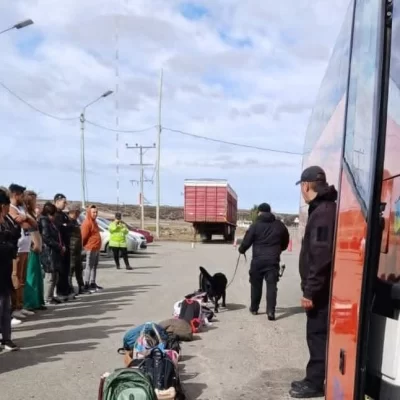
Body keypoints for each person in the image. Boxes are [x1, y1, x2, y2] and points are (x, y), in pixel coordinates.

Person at [289, 166, 337, 399]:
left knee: (317, 335)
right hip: (322, 288)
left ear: (306, 185)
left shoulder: (323, 213)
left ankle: (315, 383)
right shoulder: (325, 209)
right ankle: (314, 378)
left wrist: (310, 291)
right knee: (318, 335)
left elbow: (320, 256)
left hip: (320, 292)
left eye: (301, 187)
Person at [238, 202, 289, 321]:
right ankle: (271, 312)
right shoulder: (280, 225)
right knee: (272, 286)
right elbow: (285, 241)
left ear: (259, 212)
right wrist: (279, 250)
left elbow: (246, 241)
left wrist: (241, 249)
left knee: (256, 285)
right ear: (269, 211)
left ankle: (254, 308)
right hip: (273, 261)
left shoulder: (255, 225)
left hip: (258, 261)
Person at [8, 183, 35, 320]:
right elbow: (18, 220)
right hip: (17, 249)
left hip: (25, 248)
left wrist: (26, 218)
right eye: (21, 195)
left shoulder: (21, 208)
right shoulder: (10, 208)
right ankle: (14, 308)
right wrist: (25, 218)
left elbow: (33, 223)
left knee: (22, 278)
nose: (23, 197)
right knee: (15, 278)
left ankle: (20, 305)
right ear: (15, 194)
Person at [0, 189, 19, 351]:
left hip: (4, 270)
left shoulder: (6, 222)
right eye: (5, 205)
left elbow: (13, 240)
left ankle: (6, 338)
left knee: (6, 307)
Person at [23, 190, 46, 311]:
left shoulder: (32, 215)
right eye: (34, 200)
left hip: (37, 249)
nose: (36, 203)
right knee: (31, 276)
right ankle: (30, 302)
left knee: (37, 276)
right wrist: (35, 244)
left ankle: (37, 301)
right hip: (31, 249)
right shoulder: (25, 215)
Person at [39, 202, 65, 305]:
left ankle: (51, 296)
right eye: (52, 215)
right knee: (50, 276)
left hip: (54, 252)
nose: (54, 217)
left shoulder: (51, 223)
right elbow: (47, 238)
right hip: (48, 252)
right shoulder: (44, 222)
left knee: (55, 276)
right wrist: (59, 246)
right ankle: (47, 297)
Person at [53, 193, 75, 301]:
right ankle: (60, 292)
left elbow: (71, 226)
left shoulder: (64, 215)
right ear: (57, 201)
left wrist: (67, 225)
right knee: (60, 270)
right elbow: (59, 228)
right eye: (64, 202)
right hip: (60, 246)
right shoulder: (54, 214)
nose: (65, 204)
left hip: (67, 244)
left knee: (66, 269)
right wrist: (65, 226)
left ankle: (66, 291)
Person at [81, 205, 102, 292]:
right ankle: (86, 284)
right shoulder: (87, 223)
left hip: (96, 248)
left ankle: (92, 282)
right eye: (93, 212)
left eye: (96, 212)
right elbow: (83, 237)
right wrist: (83, 247)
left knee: (94, 266)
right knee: (89, 266)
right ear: (89, 213)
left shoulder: (94, 222)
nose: (95, 214)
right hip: (90, 248)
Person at [68, 207, 88, 294]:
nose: (77, 216)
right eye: (76, 214)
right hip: (71, 249)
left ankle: (81, 287)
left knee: (79, 269)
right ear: (72, 212)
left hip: (77, 248)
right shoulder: (68, 221)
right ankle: (70, 288)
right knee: (71, 270)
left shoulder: (75, 221)